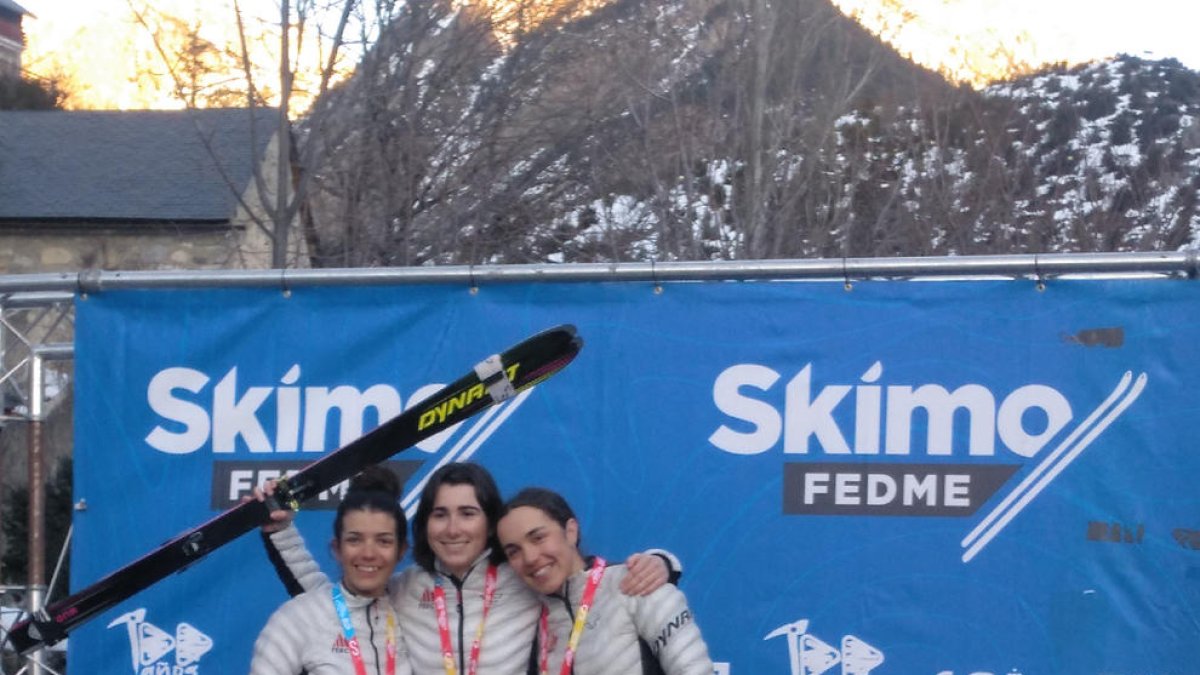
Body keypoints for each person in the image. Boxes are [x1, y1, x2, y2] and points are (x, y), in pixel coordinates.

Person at [260, 462, 678, 674]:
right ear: (424, 525)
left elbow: (592, 581)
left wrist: (662, 562)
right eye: (440, 514)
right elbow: (333, 604)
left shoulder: (525, 578)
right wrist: (280, 533)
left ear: (490, 521)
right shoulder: (405, 589)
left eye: (468, 513)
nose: (454, 528)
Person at [497, 487, 714, 675]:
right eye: (514, 551)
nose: (530, 557)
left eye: (538, 538)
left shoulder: (637, 582)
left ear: (571, 531)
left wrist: (664, 562)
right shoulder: (533, 623)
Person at [250, 465, 411, 675]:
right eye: (354, 540)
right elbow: (310, 585)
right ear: (337, 548)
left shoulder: (417, 611)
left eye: (383, 541)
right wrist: (279, 529)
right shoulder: (299, 619)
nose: (368, 553)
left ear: (401, 551)